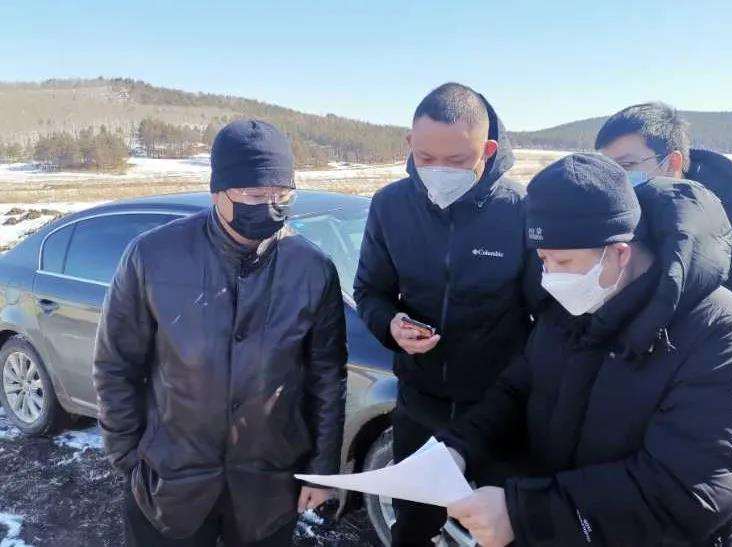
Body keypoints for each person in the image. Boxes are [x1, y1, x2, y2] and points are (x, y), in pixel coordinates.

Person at [438, 153, 732, 546]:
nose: (549, 277)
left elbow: (687, 494)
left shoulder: (723, 335)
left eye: (563, 261)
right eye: (543, 260)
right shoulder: (571, 308)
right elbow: (518, 389)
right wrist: (462, 446)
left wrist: (526, 514)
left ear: (619, 252)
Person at [93, 119, 348, 546]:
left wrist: (321, 472)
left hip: (267, 489)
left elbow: (326, 379)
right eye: (254, 195)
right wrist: (129, 456)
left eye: (282, 195)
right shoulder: (152, 257)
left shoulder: (311, 269)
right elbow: (116, 364)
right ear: (218, 192)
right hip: (169, 486)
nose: (270, 206)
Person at [596, 102, 732, 547]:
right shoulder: (633, 217)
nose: (618, 181)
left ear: (672, 161)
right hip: (677, 395)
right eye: (608, 170)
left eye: (627, 167)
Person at [353, 82, 539, 546]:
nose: (438, 171)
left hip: (498, 409)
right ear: (409, 144)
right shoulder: (390, 206)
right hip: (420, 404)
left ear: (488, 150)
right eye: (425, 157)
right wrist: (390, 325)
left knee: (503, 532)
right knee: (412, 528)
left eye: (456, 161)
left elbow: (547, 314)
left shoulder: (520, 211)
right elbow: (370, 291)